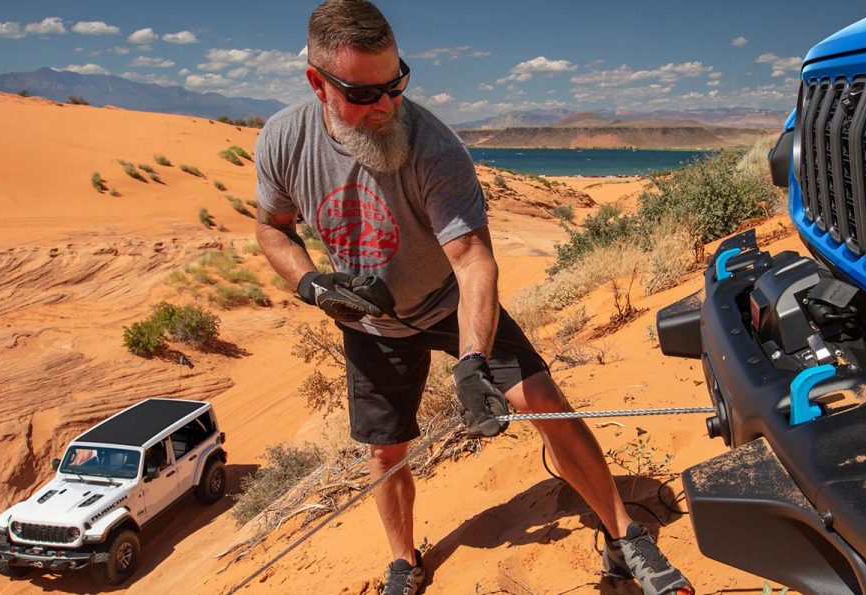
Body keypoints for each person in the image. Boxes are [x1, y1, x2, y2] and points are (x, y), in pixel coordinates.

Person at [253, 2, 694, 593]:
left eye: (395, 83)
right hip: (371, 325)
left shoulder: (433, 146)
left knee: (545, 404)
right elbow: (271, 227)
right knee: (386, 454)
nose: (385, 105)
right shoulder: (283, 141)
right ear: (316, 82)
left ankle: (623, 537)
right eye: (363, 94)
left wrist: (472, 360)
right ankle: (404, 564)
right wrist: (309, 283)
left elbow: (472, 261)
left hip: (446, 301)